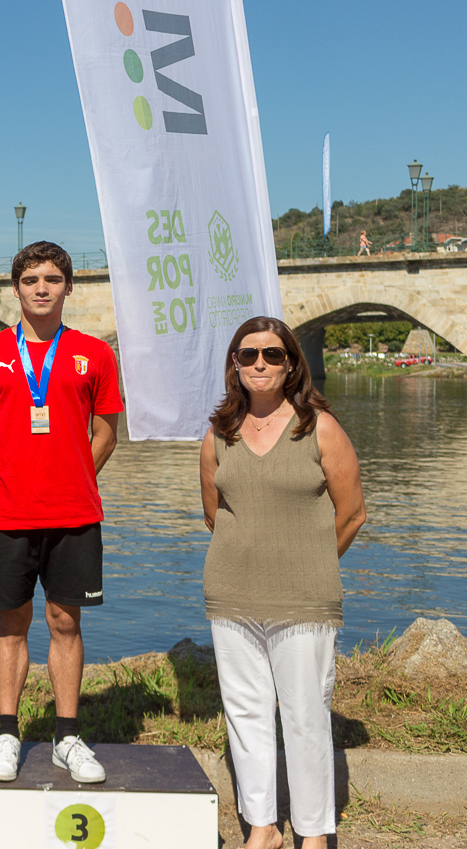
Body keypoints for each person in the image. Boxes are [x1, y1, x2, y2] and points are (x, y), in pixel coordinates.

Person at [199, 317, 366, 849]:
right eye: (248, 356)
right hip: (231, 594)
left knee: (305, 717)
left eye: (272, 355)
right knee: (245, 714)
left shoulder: (319, 427)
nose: (260, 365)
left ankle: (314, 833)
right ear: (235, 365)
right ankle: (263, 828)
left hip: (305, 597)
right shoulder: (219, 433)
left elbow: (353, 512)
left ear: (292, 362)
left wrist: (310, 559)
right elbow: (215, 513)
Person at [0, 240, 122, 784]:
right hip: (4, 513)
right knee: (12, 623)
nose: (42, 289)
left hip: (74, 512)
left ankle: (67, 736)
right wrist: (9, 477)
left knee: (65, 621)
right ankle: (7, 733)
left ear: (69, 287)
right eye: (31, 281)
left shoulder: (95, 353)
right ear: (16, 289)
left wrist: (72, 476)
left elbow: (106, 432)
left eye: (52, 279)